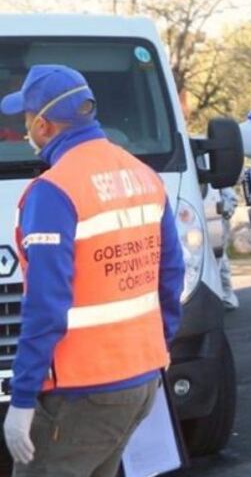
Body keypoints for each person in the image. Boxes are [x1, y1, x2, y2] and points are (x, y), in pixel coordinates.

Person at [0, 65, 184, 476]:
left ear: (42, 124)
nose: (25, 129)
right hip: (140, 379)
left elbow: (46, 307)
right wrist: (158, 350)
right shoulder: (143, 176)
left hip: (80, 391)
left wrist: (23, 398)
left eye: (25, 120)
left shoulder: (54, 192)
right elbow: (170, 275)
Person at [207, 185, 240, 310]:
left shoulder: (215, 182)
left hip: (216, 220)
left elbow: (231, 200)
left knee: (220, 259)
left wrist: (225, 208)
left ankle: (226, 296)